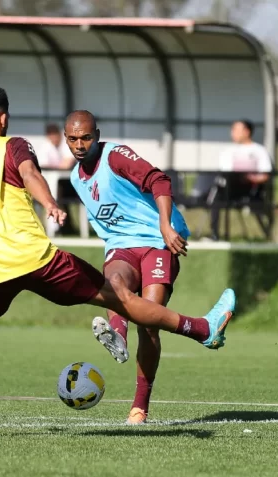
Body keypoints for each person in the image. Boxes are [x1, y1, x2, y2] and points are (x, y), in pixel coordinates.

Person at [0, 85, 235, 438]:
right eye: (73, 139)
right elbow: (31, 175)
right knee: (121, 298)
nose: (79, 144)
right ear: (3, 119)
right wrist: (49, 204)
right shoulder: (12, 146)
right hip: (35, 259)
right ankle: (200, 329)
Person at [65, 110, 195, 424]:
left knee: (150, 321)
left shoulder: (116, 157)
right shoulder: (74, 178)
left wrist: (166, 226)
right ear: (66, 139)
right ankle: (117, 337)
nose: (80, 145)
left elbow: (159, 180)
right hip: (121, 247)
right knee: (113, 285)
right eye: (73, 139)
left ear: (97, 134)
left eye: (86, 137)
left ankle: (140, 406)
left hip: (156, 242)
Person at [209, 119, 273, 241]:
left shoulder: (259, 151)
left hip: (252, 190)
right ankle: (215, 235)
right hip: (230, 189)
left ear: (247, 131)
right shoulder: (228, 151)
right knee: (216, 197)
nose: (233, 133)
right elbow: (225, 172)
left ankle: (267, 235)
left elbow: (266, 175)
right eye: (232, 130)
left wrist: (252, 178)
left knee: (260, 204)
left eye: (236, 130)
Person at [37, 123, 77, 235]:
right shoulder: (46, 146)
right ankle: (56, 226)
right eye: (50, 135)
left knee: (56, 192)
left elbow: (67, 164)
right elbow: (42, 165)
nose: (53, 137)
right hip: (51, 184)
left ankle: (60, 226)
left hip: (70, 185)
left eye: (55, 134)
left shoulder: (67, 144)